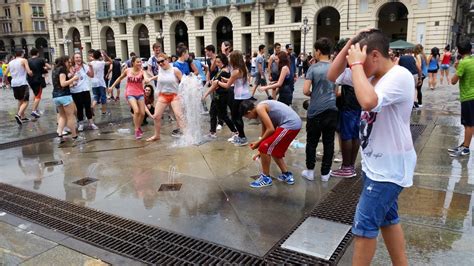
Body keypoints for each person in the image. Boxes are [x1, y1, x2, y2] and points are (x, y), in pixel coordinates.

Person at [328, 28, 416, 266]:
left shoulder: (400, 76)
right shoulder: (369, 74)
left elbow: (368, 101)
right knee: (388, 218)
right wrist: (350, 45)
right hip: (375, 164)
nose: (357, 66)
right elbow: (332, 74)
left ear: (375, 55)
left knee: (364, 226)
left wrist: (357, 66)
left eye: (362, 60)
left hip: (389, 169)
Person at [241, 99, 302, 188]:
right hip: (293, 124)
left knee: (264, 147)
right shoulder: (260, 108)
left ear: (249, 111)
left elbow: (271, 129)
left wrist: (259, 144)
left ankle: (266, 178)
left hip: (290, 125)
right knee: (272, 150)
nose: (250, 118)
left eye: (248, 116)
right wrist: (260, 151)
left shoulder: (260, 108)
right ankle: (286, 175)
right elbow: (265, 130)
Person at [301, 38, 337, 182]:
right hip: (332, 110)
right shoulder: (335, 67)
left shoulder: (313, 68)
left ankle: (310, 171)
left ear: (318, 51)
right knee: (329, 142)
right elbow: (338, 91)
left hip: (315, 111)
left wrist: (314, 94)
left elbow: (305, 90)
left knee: (312, 142)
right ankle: (325, 173)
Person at [330, 38, 361, 179]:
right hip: (359, 103)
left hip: (348, 104)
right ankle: (351, 166)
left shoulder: (348, 70)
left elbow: (333, 77)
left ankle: (346, 167)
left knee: (347, 135)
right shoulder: (360, 67)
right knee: (355, 134)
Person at [214, 50, 251, 146]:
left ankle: (242, 137)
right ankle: (241, 136)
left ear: (234, 59)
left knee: (235, 117)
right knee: (238, 117)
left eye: (230, 58)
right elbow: (236, 80)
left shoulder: (235, 71)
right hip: (245, 94)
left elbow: (227, 86)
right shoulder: (243, 68)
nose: (229, 59)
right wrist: (228, 79)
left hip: (239, 96)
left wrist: (217, 82)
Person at [146, 53, 185, 141]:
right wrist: (151, 79)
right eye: (158, 62)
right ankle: (157, 135)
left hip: (174, 95)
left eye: (162, 61)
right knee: (156, 116)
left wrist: (185, 91)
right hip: (163, 95)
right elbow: (160, 76)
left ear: (167, 60)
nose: (160, 63)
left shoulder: (175, 70)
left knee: (179, 115)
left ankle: (186, 135)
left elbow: (183, 81)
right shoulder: (160, 70)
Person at [109, 56, 149, 140]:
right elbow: (120, 78)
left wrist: (146, 79)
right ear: (133, 63)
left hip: (140, 93)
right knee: (136, 111)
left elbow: (146, 78)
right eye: (137, 62)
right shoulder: (128, 70)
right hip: (130, 93)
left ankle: (138, 127)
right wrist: (112, 87)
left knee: (142, 113)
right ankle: (136, 130)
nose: (139, 63)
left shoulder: (142, 71)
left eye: (140, 62)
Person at [202, 54, 237, 138]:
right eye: (216, 62)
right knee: (213, 113)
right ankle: (212, 132)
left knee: (223, 115)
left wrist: (205, 95)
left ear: (223, 62)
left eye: (218, 62)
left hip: (221, 96)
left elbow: (215, 86)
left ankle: (235, 131)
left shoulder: (223, 72)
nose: (217, 63)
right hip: (218, 96)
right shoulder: (223, 70)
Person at [449, 40, 474, 157]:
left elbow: (453, 81)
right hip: (471, 96)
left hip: (467, 96)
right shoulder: (472, 60)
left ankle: (466, 148)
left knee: (469, 123)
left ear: (459, 51)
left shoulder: (463, 63)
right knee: (468, 123)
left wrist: (456, 68)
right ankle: (464, 143)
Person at [51, 56, 81, 142]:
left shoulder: (55, 70)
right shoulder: (62, 69)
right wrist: (73, 79)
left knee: (62, 116)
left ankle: (59, 134)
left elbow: (58, 83)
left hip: (56, 96)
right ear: (64, 62)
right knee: (70, 116)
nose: (69, 64)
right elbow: (63, 84)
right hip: (64, 96)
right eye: (68, 62)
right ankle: (74, 136)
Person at [70, 52, 97, 131]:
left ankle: (91, 123)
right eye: (76, 58)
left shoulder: (85, 67)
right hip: (76, 90)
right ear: (74, 59)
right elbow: (70, 77)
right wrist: (75, 70)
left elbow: (91, 75)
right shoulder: (71, 67)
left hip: (85, 89)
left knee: (88, 107)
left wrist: (91, 67)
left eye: (79, 57)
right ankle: (81, 123)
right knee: (79, 108)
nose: (78, 59)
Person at [4, 49, 33, 125]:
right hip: (22, 82)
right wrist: (32, 74)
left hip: (14, 83)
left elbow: (5, 74)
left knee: (20, 100)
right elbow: (29, 71)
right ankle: (18, 114)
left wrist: (6, 82)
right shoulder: (23, 60)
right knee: (26, 101)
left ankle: (22, 117)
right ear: (22, 54)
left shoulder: (10, 62)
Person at [27, 48, 51, 118]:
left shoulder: (28, 61)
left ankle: (36, 109)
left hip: (30, 80)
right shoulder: (41, 60)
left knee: (35, 94)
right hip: (38, 80)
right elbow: (49, 67)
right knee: (38, 96)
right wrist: (45, 68)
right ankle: (33, 111)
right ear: (37, 53)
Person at [90, 49, 112, 115]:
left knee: (96, 96)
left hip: (93, 82)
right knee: (103, 97)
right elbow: (111, 62)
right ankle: (104, 111)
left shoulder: (91, 63)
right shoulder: (101, 63)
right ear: (100, 56)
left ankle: (92, 106)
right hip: (101, 82)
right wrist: (105, 55)